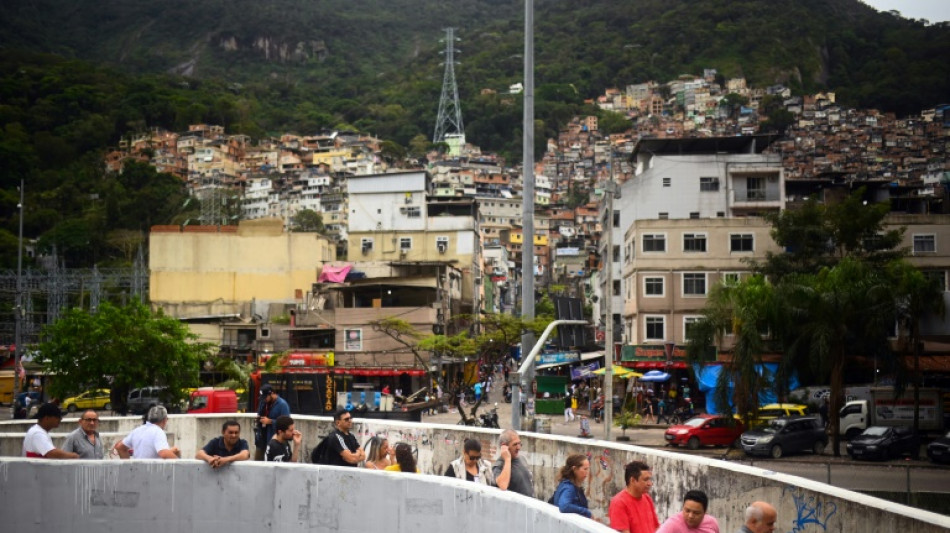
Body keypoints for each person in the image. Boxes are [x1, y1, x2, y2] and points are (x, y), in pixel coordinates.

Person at [608, 460, 659, 533]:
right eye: (645, 480)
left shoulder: (647, 498)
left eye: (649, 479)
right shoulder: (619, 503)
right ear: (633, 480)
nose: (650, 483)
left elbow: (656, 528)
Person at [115, 405, 181, 459]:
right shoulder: (158, 432)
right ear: (164, 420)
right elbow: (164, 453)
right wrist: (179, 463)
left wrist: (128, 467)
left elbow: (119, 447)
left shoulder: (137, 430)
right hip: (152, 473)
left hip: (136, 472)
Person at [493, 429, 534, 497]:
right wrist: (507, 459)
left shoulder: (522, 459)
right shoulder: (499, 465)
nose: (518, 447)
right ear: (504, 446)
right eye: (515, 444)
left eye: (519, 443)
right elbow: (503, 485)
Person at [551, 453, 593, 519]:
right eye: (585, 469)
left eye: (588, 469)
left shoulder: (566, 485)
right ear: (575, 469)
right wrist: (586, 512)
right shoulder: (569, 487)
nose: (587, 472)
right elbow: (564, 506)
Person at [255, 384, 290, 461]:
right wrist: (259, 418)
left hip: (274, 440)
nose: (264, 400)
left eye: (265, 397)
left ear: (272, 394)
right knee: (258, 461)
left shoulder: (282, 405)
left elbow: (287, 423)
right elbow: (260, 413)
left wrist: (271, 421)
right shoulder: (263, 402)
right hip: (261, 439)